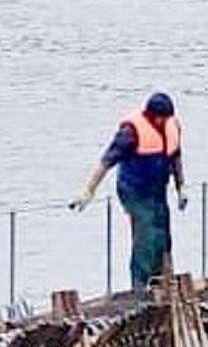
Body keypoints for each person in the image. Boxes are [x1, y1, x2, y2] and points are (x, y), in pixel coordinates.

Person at [71, 92, 189, 291]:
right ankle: (140, 287)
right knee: (146, 234)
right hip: (134, 190)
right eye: (160, 118)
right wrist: (88, 191)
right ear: (151, 115)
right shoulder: (130, 132)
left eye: (166, 118)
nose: (163, 121)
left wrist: (181, 187)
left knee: (163, 236)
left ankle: (162, 282)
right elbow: (106, 161)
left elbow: (175, 157)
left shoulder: (172, 126)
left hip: (158, 190)